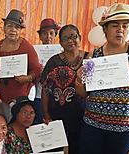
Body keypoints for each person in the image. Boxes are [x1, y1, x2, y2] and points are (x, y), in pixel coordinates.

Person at [77, 3, 129, 154]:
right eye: (115, 25)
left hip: (126, 130)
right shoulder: (93, 55)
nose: (120, 30)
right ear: (105, 29)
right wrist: (79, 79)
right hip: (93, 126)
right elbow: (83, 93)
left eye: (125, 26)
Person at [40, 24, 87, 154]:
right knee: (58, 149)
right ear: (60, 42)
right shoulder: (53, 61)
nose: (70, 41)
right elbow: (45, 88)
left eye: (73, 36)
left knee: (80, 147)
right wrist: (45, 113)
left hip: (84, 114)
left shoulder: (90, 59)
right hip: (57, 114)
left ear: (80, 37)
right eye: (65, 38)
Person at [0, 9, 42, 121]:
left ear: (21, 30)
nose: (13, 30)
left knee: (22, 123)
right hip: (6, 92)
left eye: (17, 27)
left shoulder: (26, 46)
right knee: (9, 122)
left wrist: (27, 78)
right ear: (4, 28)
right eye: (10, 26)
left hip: (23, 92)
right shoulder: (0, 44)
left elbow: (36, 69)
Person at [34, 18, 61, 123]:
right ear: (40, 36)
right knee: (40, 123)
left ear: (55, 35)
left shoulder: (61, 53)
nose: (48, 37)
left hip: (56, 95)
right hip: (39, 93)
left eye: (51, 33)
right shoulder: (34, 52)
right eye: (45, 33)